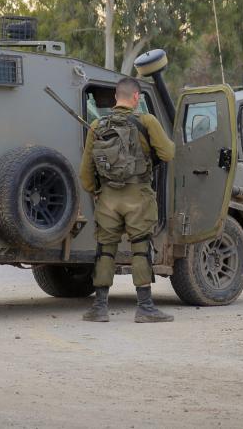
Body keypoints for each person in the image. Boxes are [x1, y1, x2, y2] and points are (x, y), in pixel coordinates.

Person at [79, 77, 176, 323]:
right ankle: (145, 307)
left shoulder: (97, 125)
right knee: (141, 248)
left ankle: (99, 308)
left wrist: (97, 191)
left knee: (105, 251)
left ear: (115, 97)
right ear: (136, 98)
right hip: (138, 197)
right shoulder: (147, 121)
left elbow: (85, 174)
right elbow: (168, 153)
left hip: (108, 199)